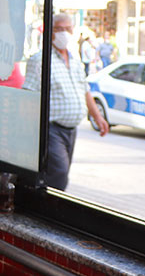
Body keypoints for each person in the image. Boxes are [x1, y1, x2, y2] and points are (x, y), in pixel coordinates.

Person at [24, 13, 110, 189]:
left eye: (67, 29)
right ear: (50, 31)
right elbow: (29, 95)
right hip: (51, 129)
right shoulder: (40, 60)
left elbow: (85, 90)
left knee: (60, 175)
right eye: (59, 29)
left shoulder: (74, 60)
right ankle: (49, 210)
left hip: (71, 131)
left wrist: (98, 117)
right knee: (59, 174)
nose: (64, 33)